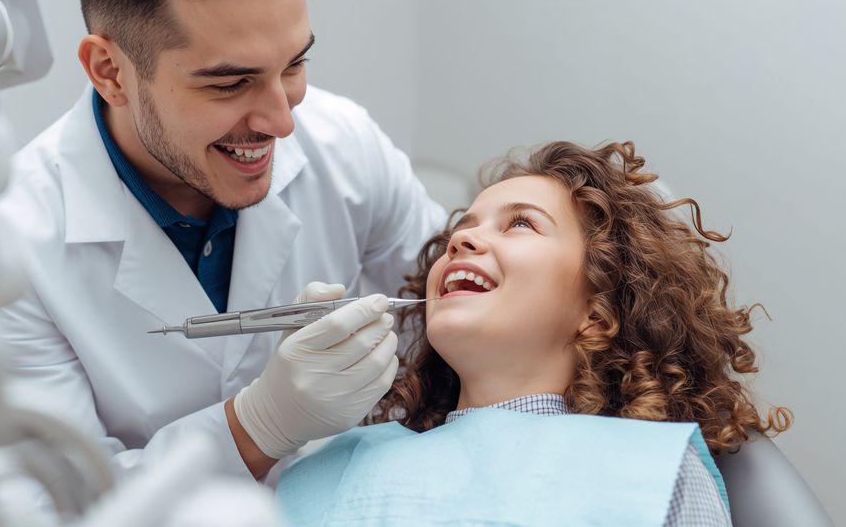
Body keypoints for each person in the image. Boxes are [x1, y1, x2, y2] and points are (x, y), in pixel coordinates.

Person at [0, 0, 444, 483]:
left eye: (294, 64)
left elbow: (457, 329)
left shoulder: (345, 145)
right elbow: (53, 504)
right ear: (110, 73)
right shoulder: (3, 248)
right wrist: (256, 428)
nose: (282, 122)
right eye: (229, 84)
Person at [276, 141, 791, 526]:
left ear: (597, 311)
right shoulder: (331, 465)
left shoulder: (651, 474)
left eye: (521, 224)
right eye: (462, 229)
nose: (461, 241)